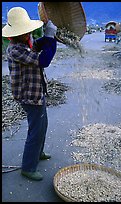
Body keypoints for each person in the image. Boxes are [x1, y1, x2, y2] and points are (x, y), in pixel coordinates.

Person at [2, 7, 57, 181]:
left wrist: (48, 37)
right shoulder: (15, 50)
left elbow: (37, 45)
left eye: (28, 32)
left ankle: (38, 152)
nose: (28, 35)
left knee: (42, 125)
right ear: (14, 35)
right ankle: (28, 167)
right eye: (24, 33)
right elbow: (43, 60)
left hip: (37, 91)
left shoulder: (26, 41)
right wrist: (50, 38)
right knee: (36, 130)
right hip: (28, 96)